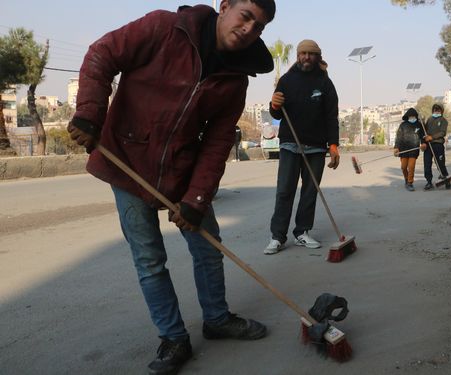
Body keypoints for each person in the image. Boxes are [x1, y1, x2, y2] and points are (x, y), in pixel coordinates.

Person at [66, 1, 276, 374]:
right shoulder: (164, 28)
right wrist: (89, 114)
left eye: (258, 26)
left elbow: (216, 142)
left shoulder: (236, 78)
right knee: (149, 260)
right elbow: (102, 54)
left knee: (208, 249)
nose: (249, 29)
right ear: (224, 6)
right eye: (245, 16)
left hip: (184, 171)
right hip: (127, 164)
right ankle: (173, 338)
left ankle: (216, 319)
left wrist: (196, 199)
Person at [263, 39, 340, 255]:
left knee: (309, 192)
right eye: (302, 53)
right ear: (298, 55)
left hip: (316, 147)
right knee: (284, 191)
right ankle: (277, 236)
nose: (306, 57)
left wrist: (333, 146)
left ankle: (302, 232)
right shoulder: (287, 80)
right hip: (290, 145)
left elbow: (331, 117)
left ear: (318, 56)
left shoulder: (325, 83)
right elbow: (277, 114)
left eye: (310, 54)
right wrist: (274, 104)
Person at [420, 103, 451, 190]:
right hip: (428, 146)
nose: (436, 111)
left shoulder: (443, 120)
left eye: (438, 110)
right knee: (427, 164)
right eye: (435, 110)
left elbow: (442, 132)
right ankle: (429, 182)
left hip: (438, 145)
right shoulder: (429, 119)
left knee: (440, 164)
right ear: (432, 111)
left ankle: (446, 179)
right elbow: (424, 132)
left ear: (441, 111)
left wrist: (432, 137)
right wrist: (423, 142)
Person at [394, 108, 422, 191]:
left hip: (414, 149)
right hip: (403, 150)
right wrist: (396, 147)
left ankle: (410, 183)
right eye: (410, 116)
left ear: (416, 116)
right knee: (403, 167)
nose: (412, 117)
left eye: (414, 116)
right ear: (407, 116)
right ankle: (406, 179)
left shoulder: (419, 125)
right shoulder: (403, 125)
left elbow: (423, 136)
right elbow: (398, 137)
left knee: (411, 166)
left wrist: (424, 143)